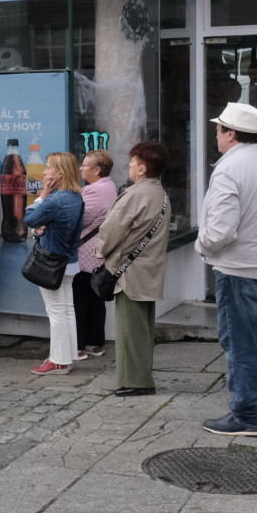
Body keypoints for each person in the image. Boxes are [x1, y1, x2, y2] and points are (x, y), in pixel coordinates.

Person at [196, 102, 257, 436]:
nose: (216, 136)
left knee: (240, 344)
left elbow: (220, 231)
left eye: (219, 130)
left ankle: (246, 415)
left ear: (231, 134)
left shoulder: (229, 168)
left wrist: (202, 246)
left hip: (239, 268)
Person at [95, 143, 171, 396]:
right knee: (142, 328)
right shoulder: (159, 192)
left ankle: (136, 382)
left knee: (130, 330)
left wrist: (100, 252)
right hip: (149, 270)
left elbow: (111, 231)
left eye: (133, 162)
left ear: (142, 167)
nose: (129, 166)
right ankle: (140, 377)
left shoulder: (135, 194)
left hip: (129, 273)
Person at [23, 152, 85, 376]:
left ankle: (58, 361)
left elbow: (29, 218)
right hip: (70, 260)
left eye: (49, 167)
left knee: (57, 311)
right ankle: (67, 356)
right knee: (67, 310)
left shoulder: (55, 199)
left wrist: (42, 195)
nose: (45, 171)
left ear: (59, 173)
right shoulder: (76, 197)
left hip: (52, 262)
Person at [74, 149, 118, 358]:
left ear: (96, 169)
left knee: (80, 299)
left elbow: (81, 220)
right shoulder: (109, 186)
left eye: (84, 165)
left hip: (86, 253)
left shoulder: (92, 191)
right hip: (98, 252)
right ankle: (96, 343)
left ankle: (79, 345)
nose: (81, 168)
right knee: (95, 299)